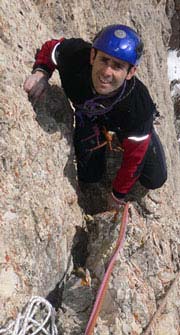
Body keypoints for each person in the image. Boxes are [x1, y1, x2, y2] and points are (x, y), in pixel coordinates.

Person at [23, 24, 167, 211]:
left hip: (125, 123)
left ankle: (140, 133)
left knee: (155, 178)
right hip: (90, 116)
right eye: (104, 60)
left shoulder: (138, 106)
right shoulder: (75, 56)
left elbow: (134, 159)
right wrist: (42, 71)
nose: (107, 72)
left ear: (131, 72)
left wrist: (117, 194)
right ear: (92, 56)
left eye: (118, 66)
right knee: (90, 176)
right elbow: (52, 48)